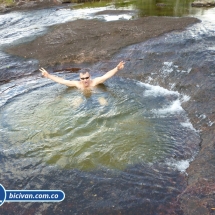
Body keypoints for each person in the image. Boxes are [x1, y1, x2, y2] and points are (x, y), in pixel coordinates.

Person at [39, 61, 125, 90]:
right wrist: (48, 76)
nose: (85, 80)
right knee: (75, 104)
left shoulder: (95, 82)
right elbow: (62, 81)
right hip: (81, 95)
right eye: (83, 78)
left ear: (90, 77)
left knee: (103, 102)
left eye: (87, 78)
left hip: (96, 93)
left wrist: (116, 68)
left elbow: (106, 76)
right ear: (80, 79)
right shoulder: (77, 84)